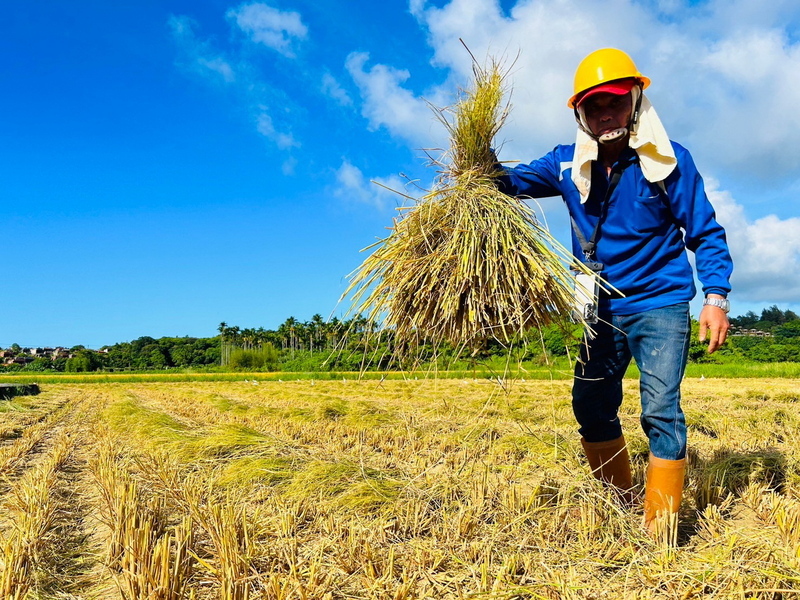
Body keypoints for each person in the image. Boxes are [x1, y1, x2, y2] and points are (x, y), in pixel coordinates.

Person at [494, 48, 733, 534]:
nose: (606, 114)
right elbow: (507, 183)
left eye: (616, 103)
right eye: (594, 107)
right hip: (599, 306)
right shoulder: (563, 165)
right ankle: (620, 500)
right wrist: (475, 162)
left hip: (660, 302)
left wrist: (715, 298)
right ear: (580, 114)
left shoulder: (667, 161)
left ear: (636, 101)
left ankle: (659, 527)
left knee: (660, 409)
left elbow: (705, 232)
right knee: (590, 405)